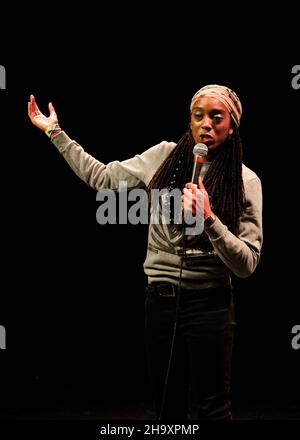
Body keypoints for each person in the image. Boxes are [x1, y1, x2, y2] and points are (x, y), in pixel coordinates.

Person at [28, 84, 263, 420]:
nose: (206, 124)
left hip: (210, 306)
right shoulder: (163, 156)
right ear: (190, 121)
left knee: (212, 408)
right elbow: (103, 177)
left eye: (216, 117)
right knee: (168, 408)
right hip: (162, 302)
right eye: (198, 116)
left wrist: (209, 219)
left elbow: (246, 265)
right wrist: (54, 131)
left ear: (232, 125)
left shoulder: (246, 181)